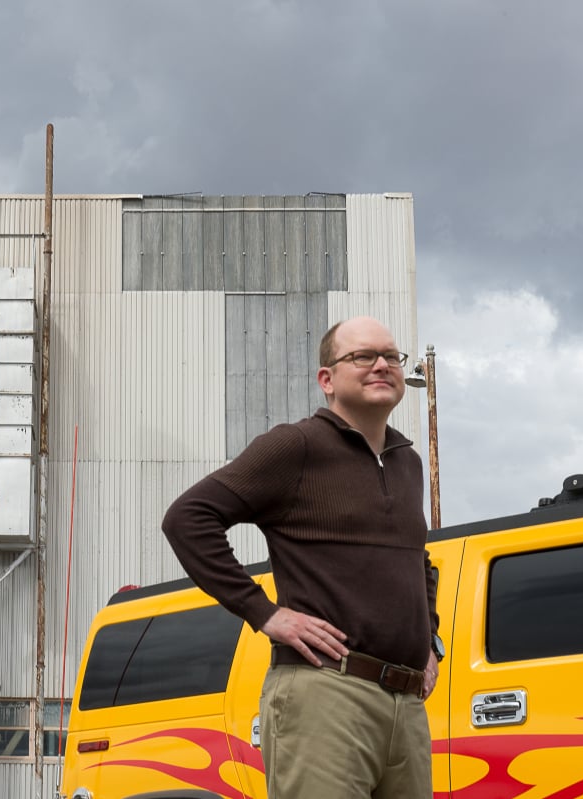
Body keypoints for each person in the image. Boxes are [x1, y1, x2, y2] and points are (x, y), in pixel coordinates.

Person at [161, 316, 442, 799]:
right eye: (362, 356)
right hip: (325, 693)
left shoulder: (407, 462)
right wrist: (266, 614)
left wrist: (430, 640)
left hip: (406, 701)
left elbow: (418, 562)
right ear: (326, 379)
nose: (382, 365)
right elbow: (188, 519)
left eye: (391, 357)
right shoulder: (296, 446)